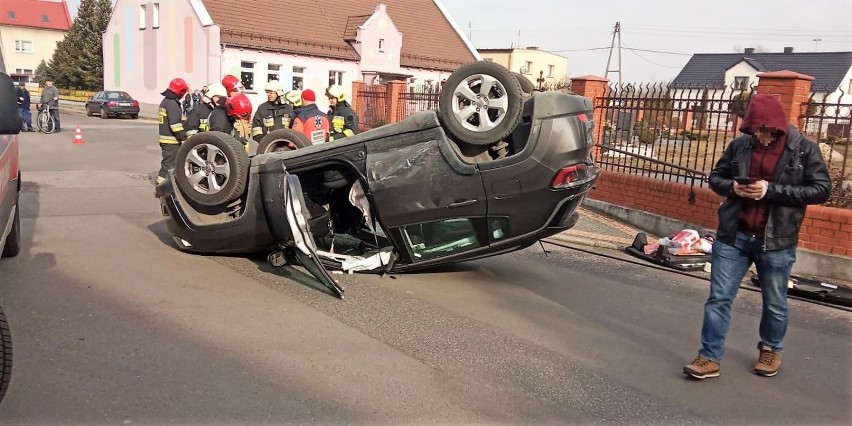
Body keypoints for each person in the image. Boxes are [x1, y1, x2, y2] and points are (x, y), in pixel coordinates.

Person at [683, 94, 831, 380]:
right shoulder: (740, 145)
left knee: (775, 301)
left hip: (776, 240)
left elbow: (821, 189)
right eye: (754, 131)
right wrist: (733, 189)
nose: (759, 137)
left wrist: (770, 191)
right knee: (718, 299)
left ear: (777, 127)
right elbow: (716, 177)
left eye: (764, 131)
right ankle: (708, 357)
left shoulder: (803, 149)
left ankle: (771, 348)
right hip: (733, 235)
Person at [156, 78, 190, 185]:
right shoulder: (172, 104)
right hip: (171, 141)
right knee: (169, 165)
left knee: (169, 163)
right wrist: (184, 138)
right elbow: (175, 125)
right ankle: (161, 185)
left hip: (166, 140)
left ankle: (165, 184)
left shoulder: (166, 102)